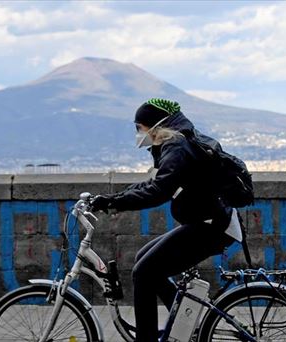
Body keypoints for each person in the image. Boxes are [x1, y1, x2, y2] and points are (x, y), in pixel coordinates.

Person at [90, 98, 237, 342]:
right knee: (143, 261)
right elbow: (154, 183)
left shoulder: (176, 146)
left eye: (140, 127)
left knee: (144, 272)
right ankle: (183, 323)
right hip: (208, 222)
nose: (138, 133)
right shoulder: (175, 144)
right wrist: (113, 198)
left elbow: (159, 191)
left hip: (212, 227)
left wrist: (115, 202)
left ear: (154, 125)